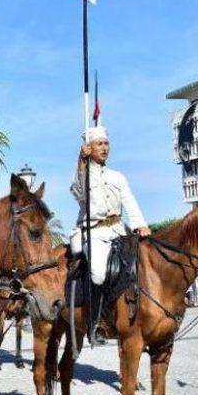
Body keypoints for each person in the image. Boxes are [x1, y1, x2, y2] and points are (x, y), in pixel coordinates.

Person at [70, 125, 150, 335]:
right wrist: (81, 161)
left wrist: (140, 224)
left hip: (118, 229)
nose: (105, 148)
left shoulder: (118, 176)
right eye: (99, 144)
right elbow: (80, 193)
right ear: (89, 147)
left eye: (106, 144)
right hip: (94, 232)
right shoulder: (83, 173)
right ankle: (96, 321)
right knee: (97, 274)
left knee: (140, 265)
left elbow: (129, 201)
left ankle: (135, 314)